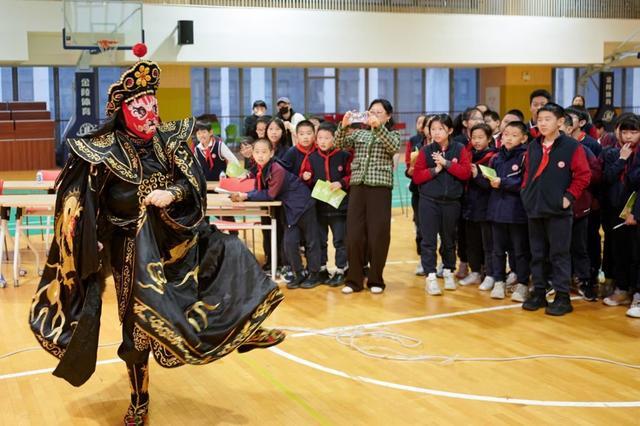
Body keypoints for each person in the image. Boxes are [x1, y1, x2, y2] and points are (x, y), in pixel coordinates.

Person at [28, 49, 284, 426]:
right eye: (140, 111)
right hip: (130, 246)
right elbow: (78, 202)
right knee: (137, 327)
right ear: (124, 114)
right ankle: (139, 398)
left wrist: (172, 194)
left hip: (175, 234)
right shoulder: (103, 151)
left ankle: (241, 330)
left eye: (154, 108)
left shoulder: (171, 141)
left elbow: (192, 183)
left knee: (227, 251)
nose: (151, 117)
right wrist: (89, 241)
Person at [520, 103, 591, 316]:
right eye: (539, 119)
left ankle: (562, 297)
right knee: (537, 253)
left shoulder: (571, 146)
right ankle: (539, 292)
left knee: (559, 254)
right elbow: (528, 175)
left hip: (559, 211)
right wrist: (526, 194)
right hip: (535, 207)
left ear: (560, 122)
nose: (542, 123)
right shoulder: (533, 146)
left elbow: (583, 175)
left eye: (547, 119)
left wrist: (569, 197)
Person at [231, 139, 323, 289]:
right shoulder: (261, 169)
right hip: (290, 209)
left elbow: (271, 194)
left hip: (303, 204)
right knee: (289, 242)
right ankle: (299, 273)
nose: (260, 156)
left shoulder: (276, 169)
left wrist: (246, 196)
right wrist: (244, 194)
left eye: (264, 152)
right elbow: (259, 190)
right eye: (257, 152)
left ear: (271, 153)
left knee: (311, 241)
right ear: (252, 154)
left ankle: (314, 274)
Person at [335, 99, 401, 294]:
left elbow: (393, 147)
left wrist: (379, 127)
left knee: (378, 234)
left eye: (378, 112)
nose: (373, 115)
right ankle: (354, 280)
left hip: (379, 188)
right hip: (357, 187)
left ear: (388, 116)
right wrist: (343, 125)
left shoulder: (392, 134)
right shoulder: (359, 133)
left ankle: (376, 280)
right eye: (371, 111)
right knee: (354, 233)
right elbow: (339, 144)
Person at [412, 114, 472, 295]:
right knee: (428, 240)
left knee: (448, 240)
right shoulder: (425, 151)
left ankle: (447, 271)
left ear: (450, 130)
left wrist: (446, 163)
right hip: (429, 202)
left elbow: (465, 173)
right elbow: (417, 176)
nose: (436, 133)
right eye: (433, 129)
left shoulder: (460, 149)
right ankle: (430, 276)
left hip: (452, 202)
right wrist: (435, 170)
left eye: (440, 129)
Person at [478, 121, 530, 301]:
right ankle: (499, 281)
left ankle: (523, 284)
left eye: (514, 135)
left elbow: (524, 183)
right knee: (497, 250)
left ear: (523, 138)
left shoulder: (526, 157)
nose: (508, 138)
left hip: (517, 213)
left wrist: (503, 183)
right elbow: (490, 181)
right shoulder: (496, 157)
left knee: (520, 250)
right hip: (496, 211)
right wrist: (484, 177)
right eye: (506, 134)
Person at [301, 122, 352, 286]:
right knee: (320, 241)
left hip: (339, 207)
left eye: (327, 138)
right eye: (320, 138)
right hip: (319, 207)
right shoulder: (312, 157)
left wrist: (342, 183)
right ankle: (322, 269)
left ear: (334, 138)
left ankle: (340, 270)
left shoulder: (343, 155)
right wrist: (305, 176)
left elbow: (352, 175)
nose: (323, 141)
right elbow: (303, 176)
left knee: (340, 241)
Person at [601, 115, 640, 309]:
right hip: (615, 210)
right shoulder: (611, 153)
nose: (629, 137)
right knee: (619, 251)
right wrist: (622, 159)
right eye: (625, 132)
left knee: (636, 253)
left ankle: (636, 292)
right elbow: (607, 178)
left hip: (636, 210)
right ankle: (622, 288)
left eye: (634, 132)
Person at [459, 123, 496, 288]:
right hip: (469, 206)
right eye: (474, 138)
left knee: (487, 243)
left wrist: (476, 175)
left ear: (489, 138)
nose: (477, 141)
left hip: (486, 206)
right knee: (471, 241)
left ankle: (490, 274)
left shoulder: (493, 157)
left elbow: (491, 185)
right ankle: (475, 272)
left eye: (481, 137)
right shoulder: (467, 156)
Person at [406, 114, 428, 275]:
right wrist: (412, 170)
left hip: (441, 193)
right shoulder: (415, 143)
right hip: (419, 191)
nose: (432, 130)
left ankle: (445, 266)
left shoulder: (450, 148)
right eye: (428, 126)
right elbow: (408, 169)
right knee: (421, 228)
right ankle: (423, 260)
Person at [193, 117, 240, 181]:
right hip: (206, 184)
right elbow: (196, 168)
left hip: (222, 183)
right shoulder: (197, 149)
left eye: (204, 132)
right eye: (198, 133)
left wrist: (236, 178)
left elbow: (234, 161)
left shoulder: (220, 146)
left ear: (211, 132)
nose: (201, 135)